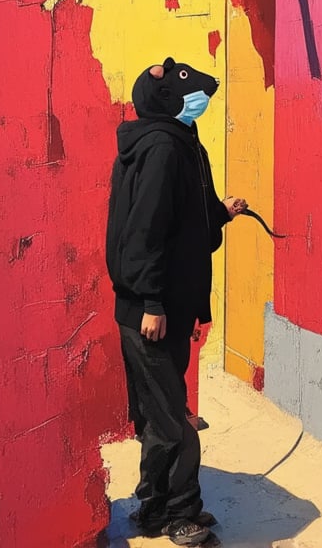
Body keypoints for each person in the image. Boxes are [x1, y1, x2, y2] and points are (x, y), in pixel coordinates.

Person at [106, 57, 246, 547]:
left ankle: (154, 508)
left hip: (166, 307)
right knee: (174, 424)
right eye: (191, 90)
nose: (203, 97)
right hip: (152, 312)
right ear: (165, 97)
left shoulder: (180, 143)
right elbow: (145, 230)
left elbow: (184, 221)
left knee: (161, 415)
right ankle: (180, 513)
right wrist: (152, 302)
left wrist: (221, 214)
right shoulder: (164, 148)